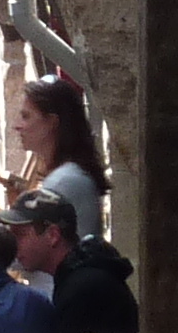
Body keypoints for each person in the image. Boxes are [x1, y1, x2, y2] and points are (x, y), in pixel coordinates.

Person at [9, 191, 142, 333]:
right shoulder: (82, 275)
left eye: (20, 235)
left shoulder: (81, 289)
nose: (14, 245)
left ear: (53, 235)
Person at [15, 72, 110, 248]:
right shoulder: (69, 175)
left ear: (51, 122)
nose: (17, 125)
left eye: (26, 116)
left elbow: (38, 251)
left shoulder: (64, 180)